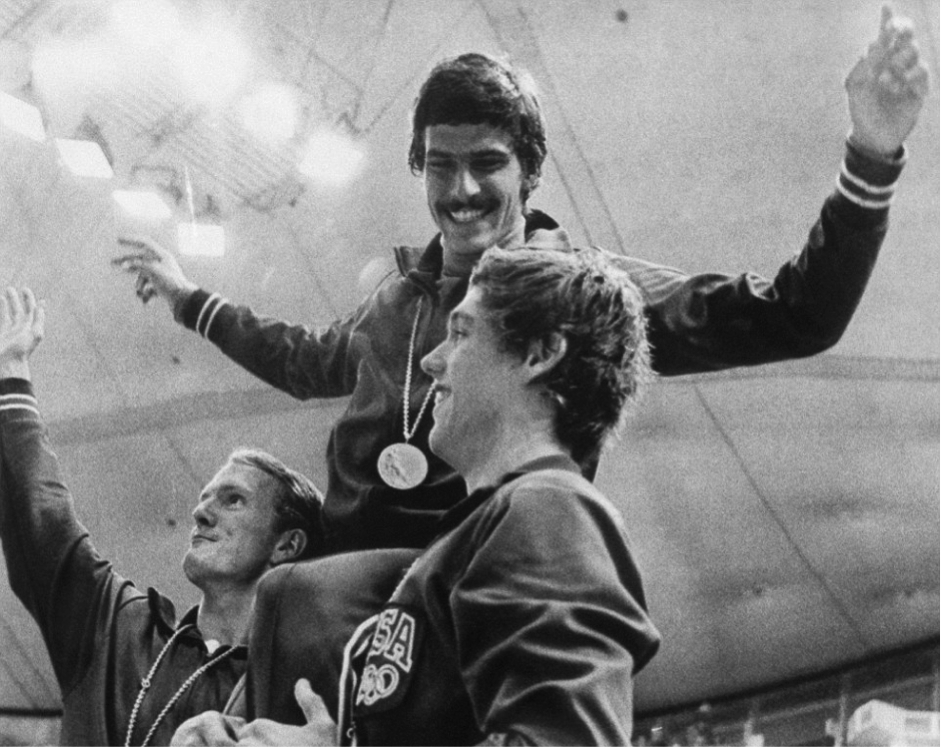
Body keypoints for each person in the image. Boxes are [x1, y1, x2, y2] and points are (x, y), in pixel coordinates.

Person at [114, 6, 929, 554]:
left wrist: (872, 156)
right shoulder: (395, 300)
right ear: (417, 169)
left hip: (473, 621)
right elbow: (298, 360)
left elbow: (794, 316)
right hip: (348, 628)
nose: (461, 190)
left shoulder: (580, 294)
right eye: (441, 166)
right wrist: (189, 300)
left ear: (530, 171)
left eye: (486, 164)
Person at [172, 245, 662, 746]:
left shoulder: (548, 509)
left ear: (539, 354)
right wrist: (235, 735)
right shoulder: (472, 539)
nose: (431, 360)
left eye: (460, 333)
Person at [0, 288, 327, 746]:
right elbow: (43, 521)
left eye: (232, 500)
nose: (200, 512)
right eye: (204, 497)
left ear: (287, 544)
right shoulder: (120, 628)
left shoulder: (309, 690)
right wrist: (11, 371)